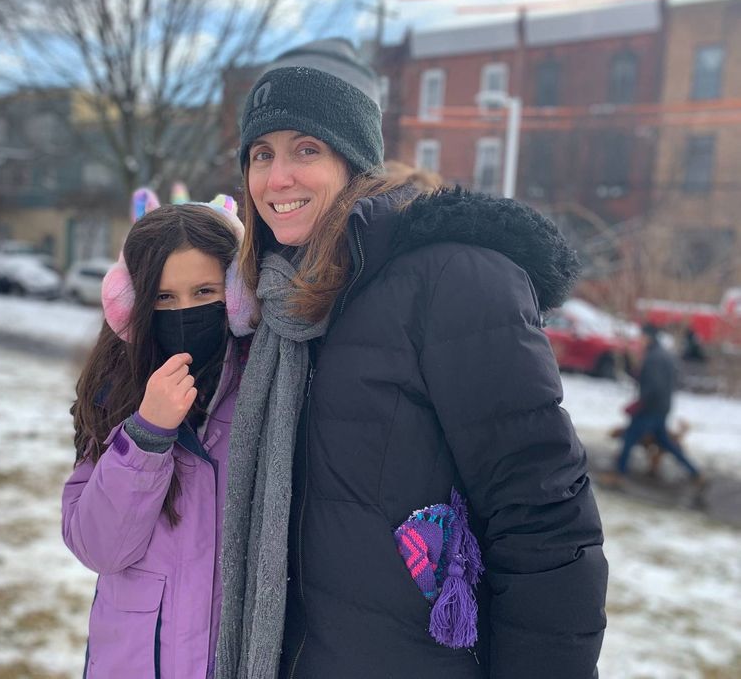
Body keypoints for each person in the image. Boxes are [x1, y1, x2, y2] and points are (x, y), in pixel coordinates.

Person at [216, 39, 608, 679]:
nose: (276, 178)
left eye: (305, 149)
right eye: (262, 154)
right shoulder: (280, 310)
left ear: (354, 162)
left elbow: (543, 519)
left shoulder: (454, 280)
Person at [62, 200, 255, 679]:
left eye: (204, 291)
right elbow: (98, 546)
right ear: (131, 304)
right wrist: (147, 436)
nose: (184, 310)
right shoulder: (116, 390)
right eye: (164, 298)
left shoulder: (264, 386)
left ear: (236, 297)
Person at [609, 323, 702, 483]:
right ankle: (695, 473)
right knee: (665, 442)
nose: (640, 340)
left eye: (642, 337)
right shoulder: (663, 354)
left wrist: (639, 403)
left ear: (648, 337)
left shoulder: (654, 357)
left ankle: (619, 474)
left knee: (630, 437)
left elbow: (654, 385)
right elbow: (658, 380)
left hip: (650, 408)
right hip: (661, 406)